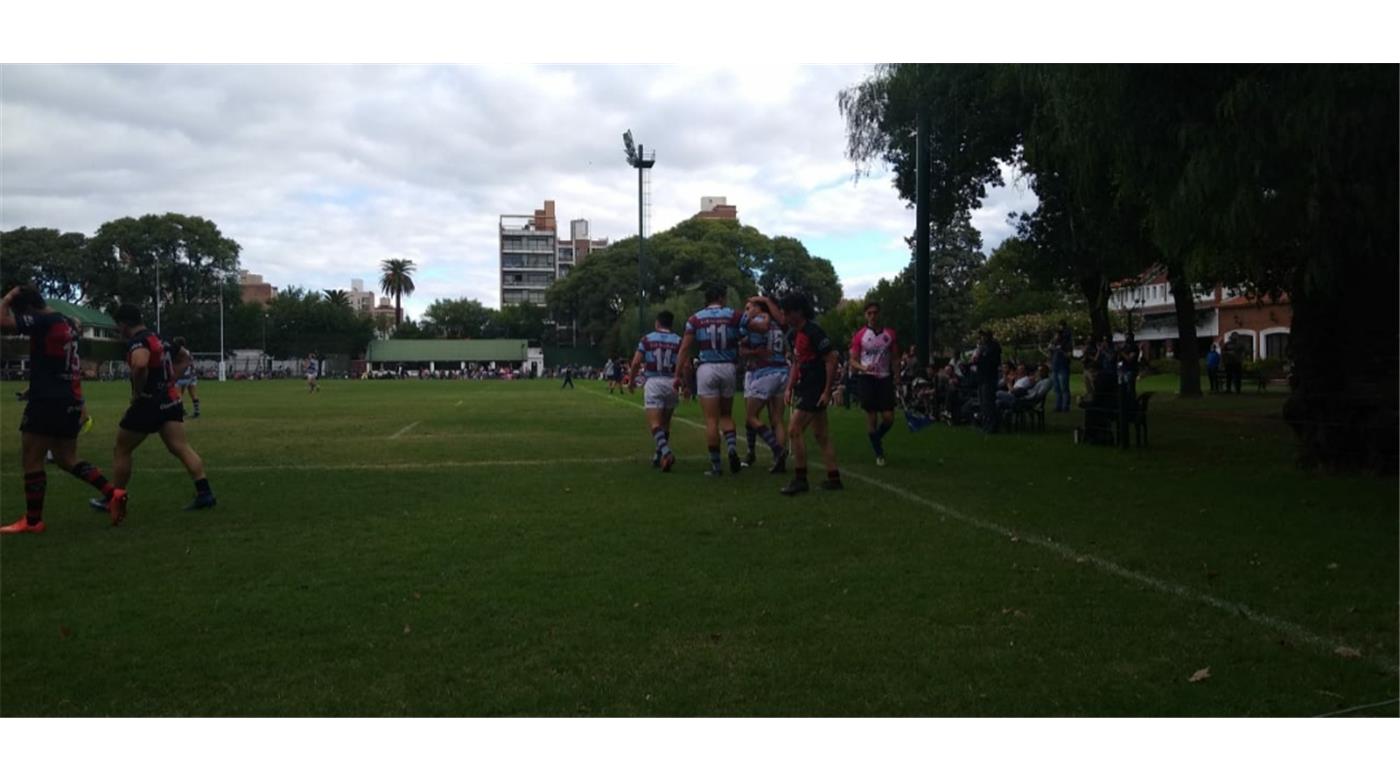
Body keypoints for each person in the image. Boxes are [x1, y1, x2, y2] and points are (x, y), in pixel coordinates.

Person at [0, 286, 124, 534]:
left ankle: (33, 521)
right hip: (67, 396)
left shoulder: (42, 320)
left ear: (26, 309)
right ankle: (113, 492)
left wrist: (8, 297)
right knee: (67, 458)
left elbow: (2, 322)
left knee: (32, 459)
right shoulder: (67, 321)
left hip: (46, 400)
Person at [90, 304, 216, 516]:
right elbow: (185, 356)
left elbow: (140, 365)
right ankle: (205, 493)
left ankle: (114, 497)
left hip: (149, 403)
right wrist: (171, 379)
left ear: (124, 324)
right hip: (170, 400)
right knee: (181, 447)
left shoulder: (138, 341)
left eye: (118, 326)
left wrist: (138, 392)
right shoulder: (161, 338)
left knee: (122, 449)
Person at [674, 282, 744, 476]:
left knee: (711, 420)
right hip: (728, 366)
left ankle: (716, 466)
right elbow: (749, 330)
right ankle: (731, 449)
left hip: (706, 368)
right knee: (726, 415)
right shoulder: (734, 315)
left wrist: (678, 373)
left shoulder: (696, 319)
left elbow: (685, 348)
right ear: (721, 298)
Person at [779, 293, 842, 495]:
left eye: (787, 312)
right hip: (806, 386)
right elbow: (797, 363)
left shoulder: (814, 331)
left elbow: (831, 359)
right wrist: (789, 387)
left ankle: (800, 479)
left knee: (794, 430)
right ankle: (834, 478)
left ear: (798, 312)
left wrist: (826, 390)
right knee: (821, 434)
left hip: (815, 387)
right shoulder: (793, 335)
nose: (785, 316)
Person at [738, 295, 788, 473]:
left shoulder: (757, 322)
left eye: (750, 307)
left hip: (764, 372)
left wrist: (752, 352)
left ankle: (777, 449)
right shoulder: (779, 324)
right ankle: (779, 461)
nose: (747, 311)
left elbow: (744, 347)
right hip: (782, 371)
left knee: (751, 417)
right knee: (777, 419)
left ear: (759, 308)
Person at [629, 311, 682, 472]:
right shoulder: (678, 340)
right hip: (671, 382)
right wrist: (685, 384)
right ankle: (658, 457)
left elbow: (637, 361)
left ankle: (666, 453)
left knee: (655, 424)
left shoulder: (648, 339)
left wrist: (631, 380)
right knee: (665, 424)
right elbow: (685, 363)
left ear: (657, 323)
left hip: (654, 381)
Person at [850, 301, 900, 466]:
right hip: (868, 378)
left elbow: (895, 358)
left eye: (875, 313)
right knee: (871, 416)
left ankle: (876, 438)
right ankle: (879, 453)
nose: (872, 316)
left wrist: (897, 376)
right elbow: (853, 360)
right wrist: (863, 368)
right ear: (866, 315)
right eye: (869, 313)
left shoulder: (890, 334)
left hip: (885, 377)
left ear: (879, 314)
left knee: (889, 417)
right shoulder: (860, 336)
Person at [972, 329, 1002, 433]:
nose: (981, 338)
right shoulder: (982, 347)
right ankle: (985, 424)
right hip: (981, 377)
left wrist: (980, 358)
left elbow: (991, 362)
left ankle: (992, 426)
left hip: (989, 378)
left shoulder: (993, 347)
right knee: (983, 403)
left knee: (988, 402)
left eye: (983, 336)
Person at [172, 336, 202, 418]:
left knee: (178, 395)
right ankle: (197, 411)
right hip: (191, 375)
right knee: (193, 394)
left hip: (181, 376)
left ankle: (181, 411)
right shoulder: (188, 352)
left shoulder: (178, 352)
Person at [1050, 320, 1072, 412]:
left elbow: (1069, 355)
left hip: (1063, 366)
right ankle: (1058, 405)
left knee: (1064, 387)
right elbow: (1050, 352)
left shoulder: (1067, 343)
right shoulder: (1054, 343)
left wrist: (1061, 350)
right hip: (1055, 366)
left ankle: (1065, 406)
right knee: (1057, 387)